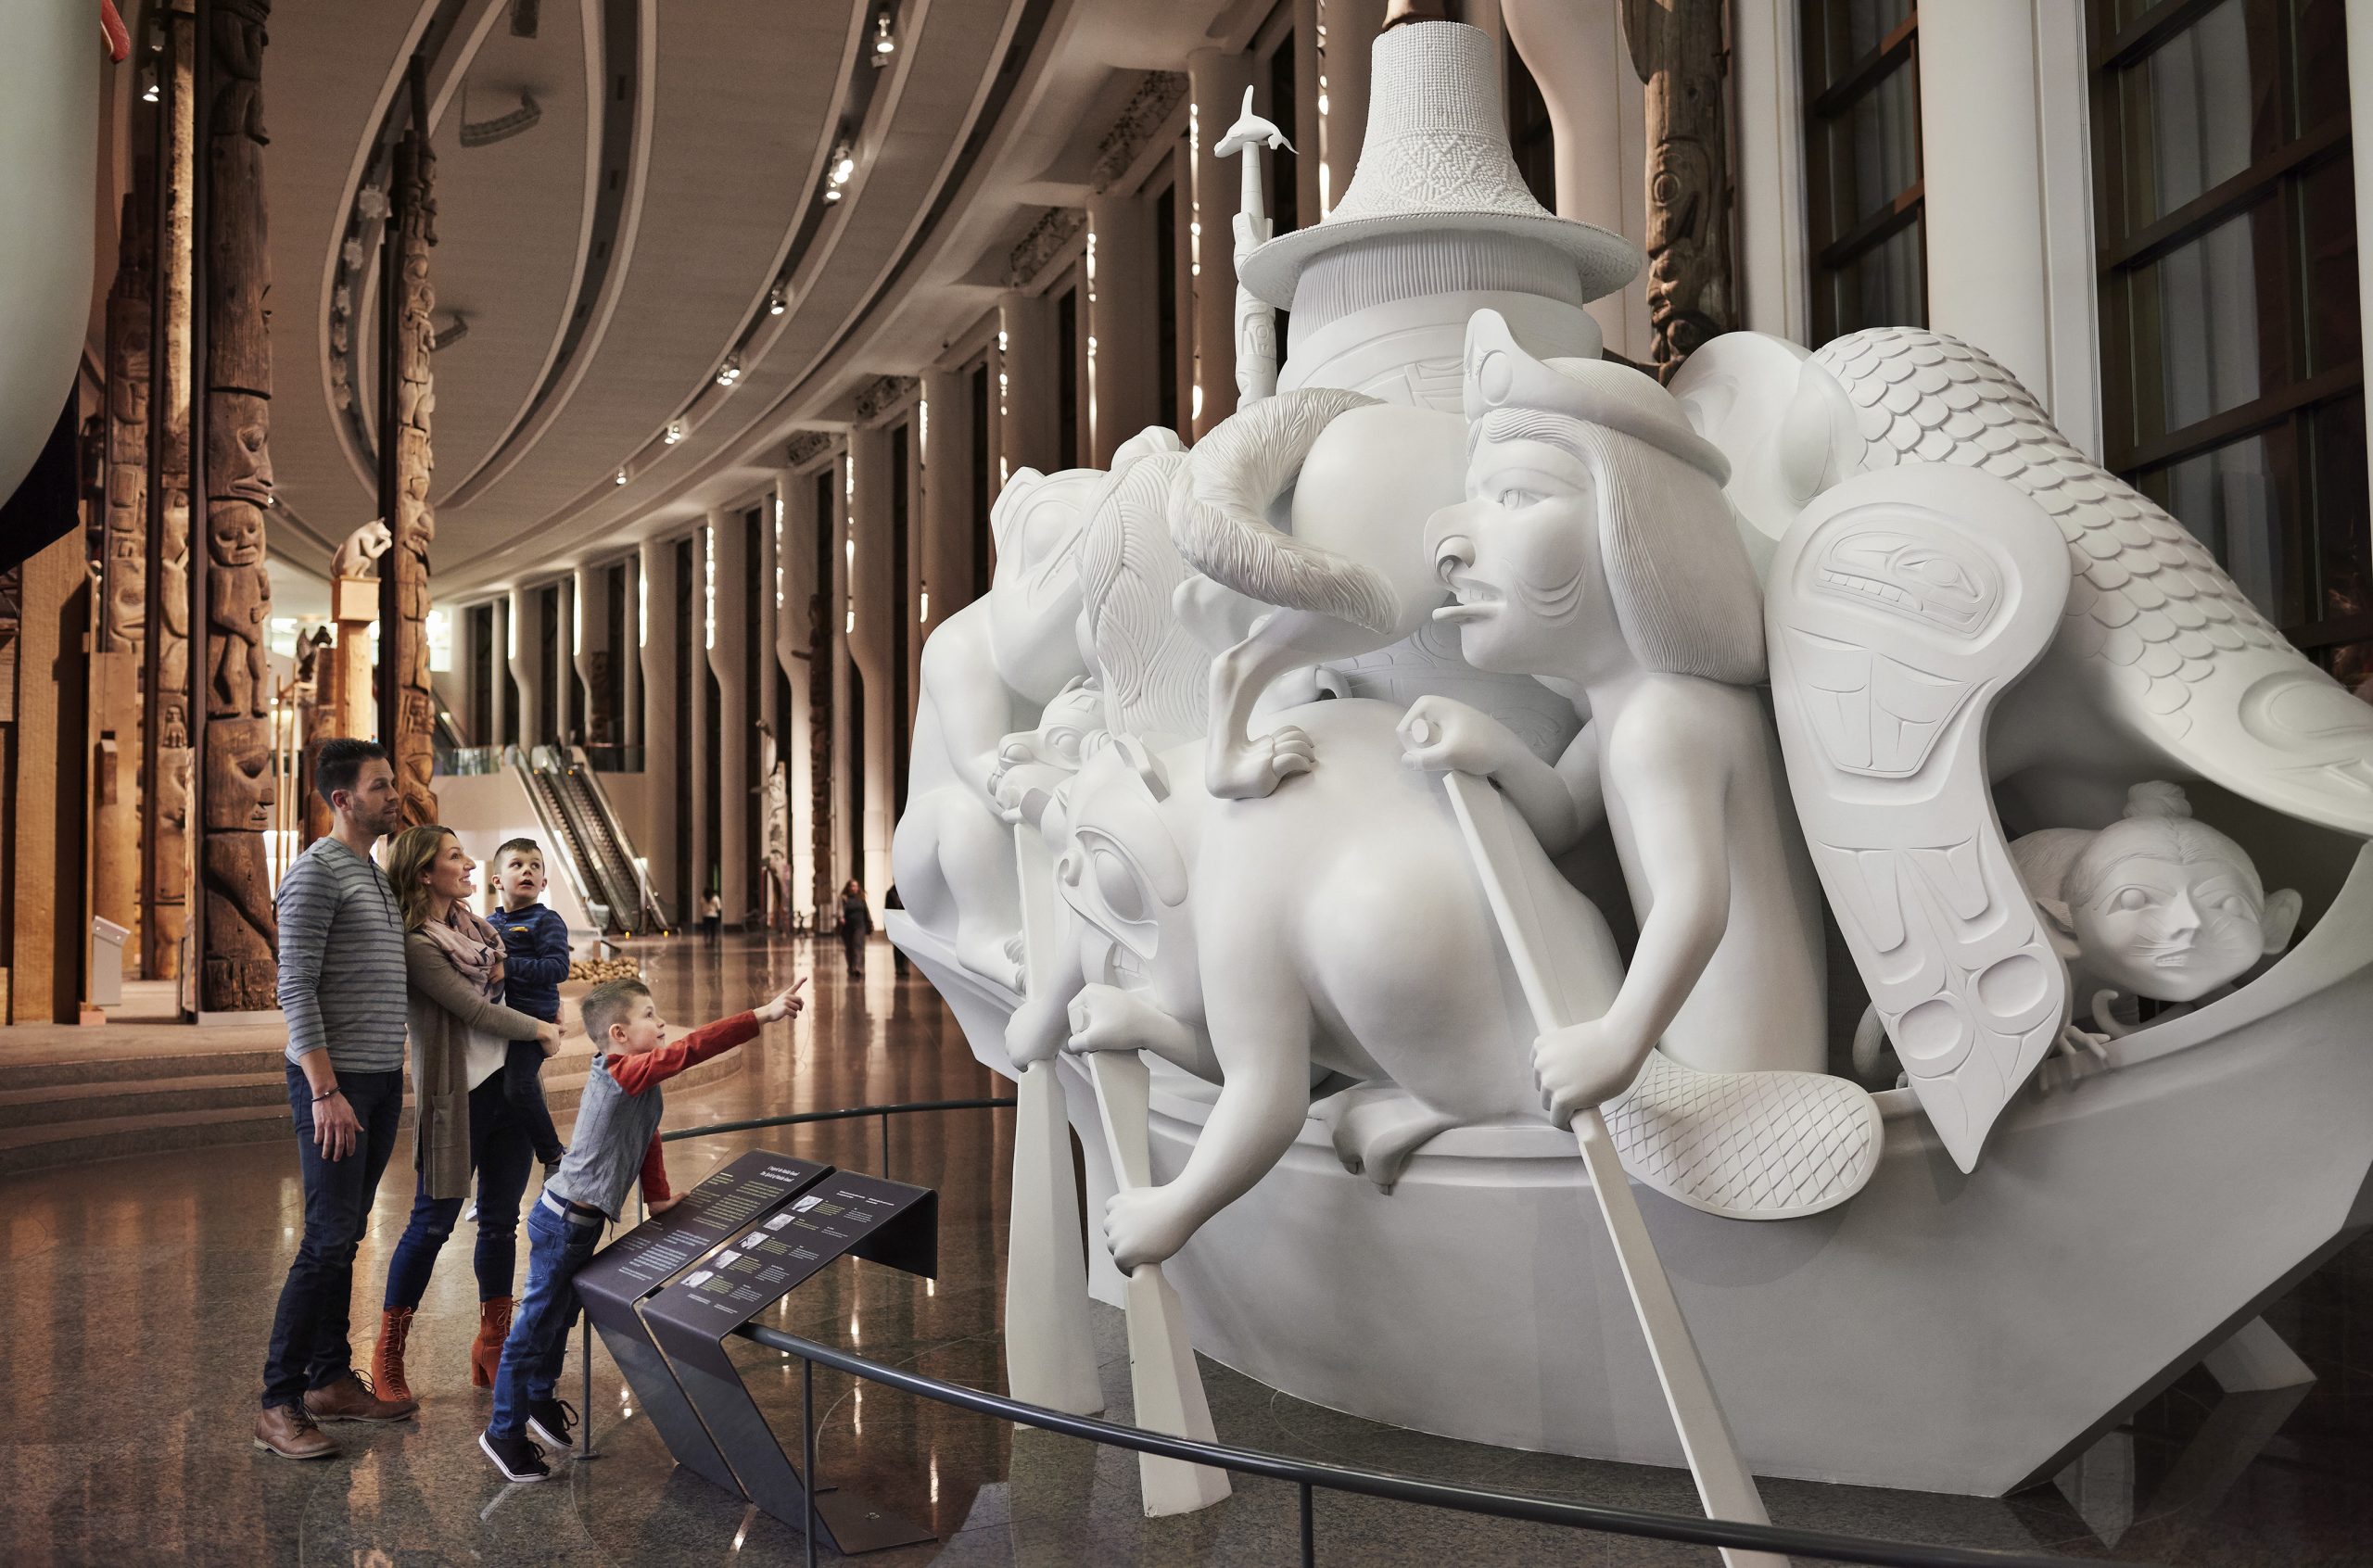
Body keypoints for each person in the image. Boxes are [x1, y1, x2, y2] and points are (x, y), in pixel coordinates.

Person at [480, 974, 806, 1481]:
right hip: (564, 1219)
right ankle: (502, 1432)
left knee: (561, 1316)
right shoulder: (619, 1071)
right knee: (534, 1326)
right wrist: (760, 1015)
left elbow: (646, 1136)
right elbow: (691, 1050)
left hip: (580, 1222)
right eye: (650, 1015)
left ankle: (539, 1400)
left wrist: (657, 1199)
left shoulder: (640, 1083)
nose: (660, 1024)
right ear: (617, 1034)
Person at [257, 739, 416, 1461]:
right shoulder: (316, 873)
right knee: (324, 1238)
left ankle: (327, 1378)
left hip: (378, 1080)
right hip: (335, 1083)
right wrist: (324, 1090)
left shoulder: (372, 873)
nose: (395, 794)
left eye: (394, 782)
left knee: (346, 1233)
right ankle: (278, 1401)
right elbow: (293, 988)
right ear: (343, 799)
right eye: (381, 786)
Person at [372, 828, 565, 1406]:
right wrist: (540, 1030)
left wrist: (532, 1032)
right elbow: (477, 1011)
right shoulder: (419, 943)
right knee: (431, 1222)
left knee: (502, 1221)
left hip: (508, 1090)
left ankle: (493, 1344)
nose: (468, 863)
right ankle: (388, 1351)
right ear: (426, 873)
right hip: (459, 1098)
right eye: (455, 856)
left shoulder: (477, 929)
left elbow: (519, 982)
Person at [489, 838, 571, 1176]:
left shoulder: (545, 920)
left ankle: (554, 1155)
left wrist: (511, 967)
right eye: (517, 865)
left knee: (519, 1086)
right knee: (497, 1099)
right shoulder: (488, 923)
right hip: (499, 1019)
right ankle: (494, 1181)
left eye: (535, 866)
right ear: (497, 880)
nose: (527, 870)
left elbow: (558, 968)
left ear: (544, 882)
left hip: (533, 1019)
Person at [839, 879, 872, 975]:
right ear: (848, 887)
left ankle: (857, 967)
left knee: (858, 945)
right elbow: (840, 909)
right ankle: (850, 966)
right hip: (847, 927)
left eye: (856, 886)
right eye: (852, 886)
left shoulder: (861, 898)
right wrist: (841, 917)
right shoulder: (844, 898)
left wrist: (870, 922)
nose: (854, 888)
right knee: (849, 947)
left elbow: (866, 911)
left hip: (860, 926)